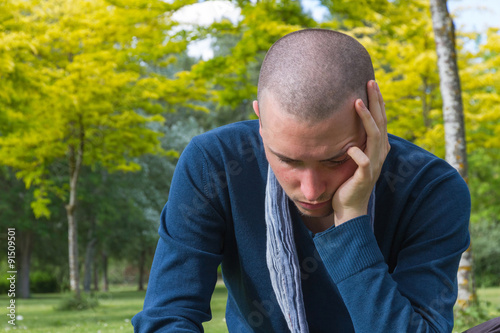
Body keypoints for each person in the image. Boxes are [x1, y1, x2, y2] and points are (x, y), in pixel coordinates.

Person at [132, 29, 470, 332]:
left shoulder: (432, 190)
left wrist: (350, 221)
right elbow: (168, 315)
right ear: (260, 120)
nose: (311, 190)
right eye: (287, 160)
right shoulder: (215, 162)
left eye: (336, 160)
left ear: (374, 122)